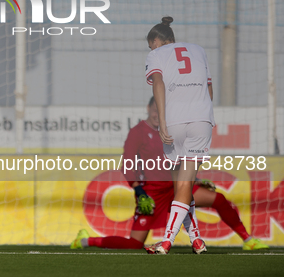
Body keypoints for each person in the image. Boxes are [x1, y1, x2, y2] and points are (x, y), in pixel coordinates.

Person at [70, 97, 269, 252]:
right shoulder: (137, 132)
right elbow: (127, 165)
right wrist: (139, 191)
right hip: (152, 194)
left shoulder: (170, 131)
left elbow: (177, 163)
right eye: (155, 110)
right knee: (134, 244)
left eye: (162, 111)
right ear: (149, 109)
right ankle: (85, 240)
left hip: (175, 188)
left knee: (218, 199)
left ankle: (248, 240)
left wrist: (195, 179)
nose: (158, 114)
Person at [143, 16, 214, 255]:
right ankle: (196, 239)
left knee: (180, 184)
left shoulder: (157, 55)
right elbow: (208, 87)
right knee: (184, 186)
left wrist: (162, 122)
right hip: (201, 121)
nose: (152, 50)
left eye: (152, 46)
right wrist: (201, 115)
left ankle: (166, 241)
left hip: (174, 123)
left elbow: (158, 84)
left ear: (158, 42)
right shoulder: (199, 50)